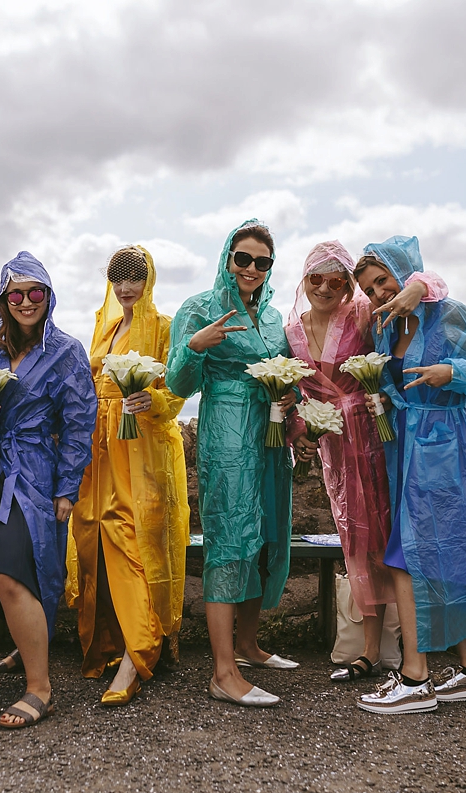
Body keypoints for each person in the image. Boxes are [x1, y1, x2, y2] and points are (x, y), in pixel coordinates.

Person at [352, 235, 466, 715]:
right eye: (370, 289)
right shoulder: (386, 328)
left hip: (445, 446)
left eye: (383, 281)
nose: (379, 293)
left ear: (405, 273)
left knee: (411, 555)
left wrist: (451, 371)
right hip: (402, 447)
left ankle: (415, 677)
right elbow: (387, 379)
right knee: (433, 554)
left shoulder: (449, 314)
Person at [284, 240, 446, 683]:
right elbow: (297, 393)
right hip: (334, 446)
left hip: (377, 436)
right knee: (355, 541)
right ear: (304, 279)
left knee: (389, 537)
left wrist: (417, 287)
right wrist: (302, 428)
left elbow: (432, 288)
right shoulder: (291, 331)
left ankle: (408, 650)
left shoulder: (360, 313)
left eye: (338, 279)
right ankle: (371, 650)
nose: (326, 287)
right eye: (316, 277)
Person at [0, 251, 97, 728]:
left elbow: (80, 424)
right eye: (14, 294)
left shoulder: (66, 352)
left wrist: (66, 488)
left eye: (35, 292)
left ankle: (41, 688)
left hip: (35, 474)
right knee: (8, 566)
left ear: (48, 295)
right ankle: (25, 650)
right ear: (2, 300)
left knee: (16, 570)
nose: (25, 302)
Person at [165, 219, 296, 708]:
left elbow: (288, 373)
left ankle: (247, 646)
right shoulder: (199, 307)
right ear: (226, 258)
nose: (252, 269)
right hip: (226, 426)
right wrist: (194, 346)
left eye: (262, 262)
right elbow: (178, 385)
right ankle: (222, 672)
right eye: (243, 258)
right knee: (231, 537)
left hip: (270, 429)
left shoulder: (273, 315)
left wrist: (293, 406)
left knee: (265, 534)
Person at [65, 245, 190, 705]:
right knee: (93, 535)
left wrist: (151, 403)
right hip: (99, 450)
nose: (126, 285)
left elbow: (176, 392)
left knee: (133, 540)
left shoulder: (163, 327)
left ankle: (139, 653)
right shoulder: (106, 325)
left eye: (135, 275)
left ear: (149, 278)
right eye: (118, 276)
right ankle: (111, 643)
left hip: (140, 450)